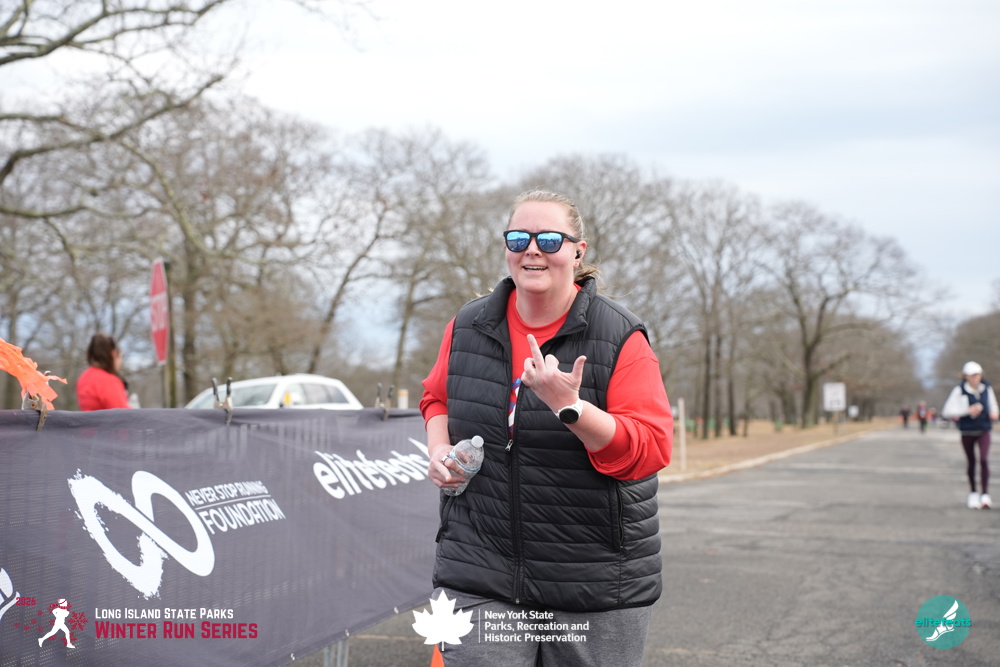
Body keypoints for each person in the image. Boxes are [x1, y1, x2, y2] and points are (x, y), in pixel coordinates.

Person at [420, 190, 673, 666]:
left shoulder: (619, 335)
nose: (532, 249)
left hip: (592, 582)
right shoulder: (467, 325)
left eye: (550, 239)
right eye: (519, 238)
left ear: (578, 251)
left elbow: (649, 451)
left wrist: (570, 407)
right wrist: (439, 450)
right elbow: (437, 398)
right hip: (480, 570)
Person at [941, 361, 998, 510]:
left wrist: (994, 413)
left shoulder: (986, 388)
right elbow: (947, 411)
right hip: (967, 431)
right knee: (971, 461)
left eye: (977, 375)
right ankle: (973, 493)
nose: (975, 378)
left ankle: (985, 494)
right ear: (966, 376)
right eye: (972, 375)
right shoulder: (959, 390)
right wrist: (967, 411)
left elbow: (993, 405)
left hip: (984, 430)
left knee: (984, 460)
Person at [76, 333, 132, 410]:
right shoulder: (108, 380)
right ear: (114, 354)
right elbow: (122, 412)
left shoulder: (84, 377)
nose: (120, 362)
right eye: (120, 357)